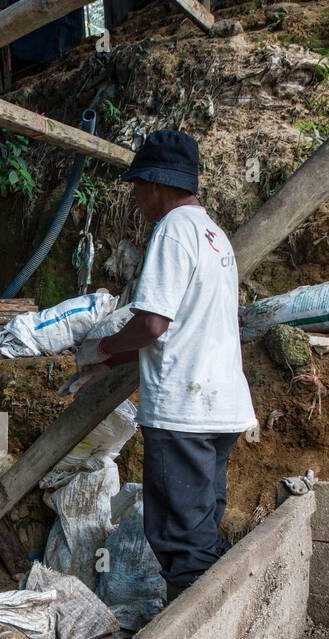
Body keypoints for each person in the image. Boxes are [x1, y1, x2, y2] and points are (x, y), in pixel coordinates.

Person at [74, 130, 257, 600]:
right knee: (200, 530)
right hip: (222, 408)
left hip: (185, 414)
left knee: (181, 543)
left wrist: (105, 349)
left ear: (156, 184)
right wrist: (112, 364)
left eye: (138, 187)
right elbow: (179, 331)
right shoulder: (215, 236)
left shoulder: (172, 230)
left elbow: (153, 324)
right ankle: (215, 629)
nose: (136, 198)